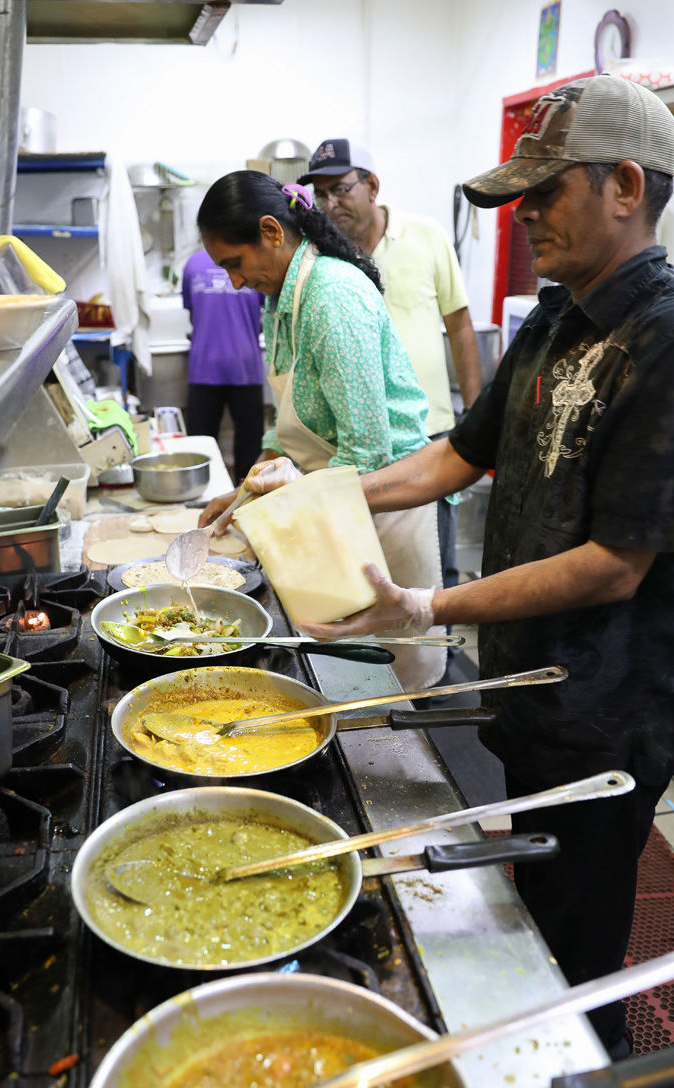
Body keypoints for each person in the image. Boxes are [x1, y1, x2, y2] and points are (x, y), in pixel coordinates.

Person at [250, 76, 674, 1059]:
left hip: (605, 712)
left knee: (575, 948)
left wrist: (424, 602)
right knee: (532, 916)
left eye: (543, 192)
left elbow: (614, 565)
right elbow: (457, 454)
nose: (523, 217)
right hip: (526, 689)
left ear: (622, 184)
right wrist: (328, 496)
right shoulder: (556, 318)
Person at [195, 169, 446, 691]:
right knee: (347, 668)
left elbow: (367, 452)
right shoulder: (281, 302)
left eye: (235, 265)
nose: (235, 282)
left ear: (271, 231)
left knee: (394, 673)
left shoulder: (331, 297)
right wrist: (244, 489)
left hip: (380, 511)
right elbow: (288, 427)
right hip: (333, 502)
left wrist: (284, 506)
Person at [298, 138, 482, 593]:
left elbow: (459, 325)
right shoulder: (324, 256)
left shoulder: (426, 235)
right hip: (357, 437)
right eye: (321, 195)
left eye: (340, 189)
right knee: (372, 570)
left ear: (372, 185)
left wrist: (478, 415)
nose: (330, 203)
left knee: (435, 565)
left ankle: (441, 656)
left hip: (425, 432)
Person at [181, 247, 265, 484]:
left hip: (232, 369)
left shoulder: (192, 264)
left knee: (211, 451)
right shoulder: (251, 260)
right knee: (204, 450)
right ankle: (243, 500)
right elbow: (263, 316)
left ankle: (239, 499)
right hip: (221, 368)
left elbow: (192, 315)